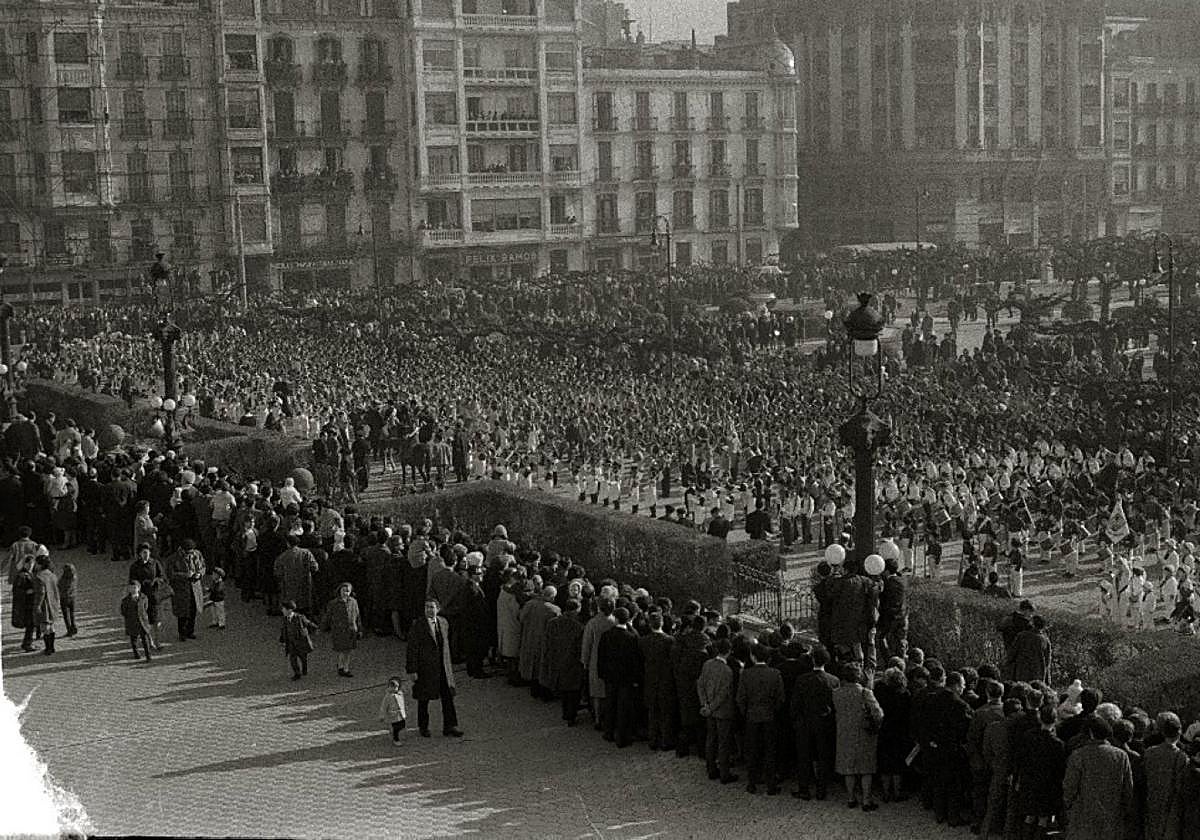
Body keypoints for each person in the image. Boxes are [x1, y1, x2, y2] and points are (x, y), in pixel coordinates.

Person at [1062, 717, 1135, 840]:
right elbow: (1128, 788)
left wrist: (1069, 807)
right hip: (1112, 816)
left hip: (1083, 816)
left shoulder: (1079, 755)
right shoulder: (1121, 756)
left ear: (1090, 733)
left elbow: (1070, 786)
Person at [406, 598, 463, 738]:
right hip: (425, 667)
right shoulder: (418, 625)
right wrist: (412, 669)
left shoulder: (443, 623)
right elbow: (412, 648)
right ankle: (423, 726)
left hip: (443, 667)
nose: (429, 610)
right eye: (426, 607)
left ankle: (450, 726)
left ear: (438, 609)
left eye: (432, 607)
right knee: (423, 698)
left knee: (448, 696)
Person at [832, 662, 884, 811]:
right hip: (863, 733)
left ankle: (851, 798)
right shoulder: (865, 693)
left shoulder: (836, 693)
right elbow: (878, 714)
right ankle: (866, 800)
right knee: (866, 768)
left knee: (849, 767)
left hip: (844, 733)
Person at [1011, 704, 1066, 840]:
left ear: (1040, 719)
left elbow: (1020, 759)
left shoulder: (1028, 736)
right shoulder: (1058, 744)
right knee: (1043, 818)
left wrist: (1017, 778)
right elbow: (1060, 769)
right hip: (1047, 785)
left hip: (1029, 781)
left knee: (1029, 816)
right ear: (1055, 720)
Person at [791, 644, 839, 801]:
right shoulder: (833, 681)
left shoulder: (802, 680)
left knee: (804, 756)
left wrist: (796, 719)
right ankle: (821, 789)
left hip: (805, 722)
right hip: (824, 722)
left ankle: (804, 788)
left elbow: (795, 703)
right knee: (823, 756)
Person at [737, 642, 784, 795]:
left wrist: (746, 712)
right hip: (769, 716)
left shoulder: (746, 674)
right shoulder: (775, 674)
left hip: (752, 716)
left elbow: (741, 698)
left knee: (752, 750)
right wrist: (773, 711)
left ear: (753, 656)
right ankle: (771, 783)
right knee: (770, 750)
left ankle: (752, 782)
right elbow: (780, 698)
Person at [597, 606, 642, 748]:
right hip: (626, 678)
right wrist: (636, 678)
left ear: (615, 619)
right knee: (623, 707)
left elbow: (601, 657)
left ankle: (608, 732)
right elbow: (636, 661)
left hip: (610, 676)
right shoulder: (632, 638)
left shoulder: (606, 635)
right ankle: (622, 737)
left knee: (610, 703)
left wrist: (601, 673)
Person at [698, 637, 738, 785]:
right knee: (723, 742)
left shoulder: (707, 664)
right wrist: (712, 707)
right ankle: (724, 773)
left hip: (708, 709)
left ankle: (711, 769)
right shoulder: (727, 671)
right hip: (722, 711)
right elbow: (723, 694)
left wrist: (705, 705)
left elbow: (700, 684)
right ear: (728, 651)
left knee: (711, 739)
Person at [1143, 711, 1187, 840]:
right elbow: (1180, 785)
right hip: (1171, 804)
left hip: (1152, 798)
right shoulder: (1181, 756)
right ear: (1179, 733)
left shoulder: (1150, 752)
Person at [542, 598, 586, 726]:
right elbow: (580, 648)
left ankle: (566, 712)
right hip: (572, 662)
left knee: (564, 689)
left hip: (557, 659)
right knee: (573, 690)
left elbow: (547, 642)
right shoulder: (578, 627)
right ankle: (570, 715)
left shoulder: (552, 623)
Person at [639, 610, 677, 751]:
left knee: (652, 712)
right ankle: (666, 741)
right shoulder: (669, 641)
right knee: (666, 712)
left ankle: (653, 739)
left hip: (650, 679)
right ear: (662, 623)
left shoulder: (643, 641)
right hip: (665, 680)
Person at [167, 539, 206, 642]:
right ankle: (182, 633)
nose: (191, 554)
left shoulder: (197, 554)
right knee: (183, 611)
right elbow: (170, 574)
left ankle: (190, 631)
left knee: (193, 610)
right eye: (188, 552)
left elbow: (203, 566)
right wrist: (185, 575)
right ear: (182, 550)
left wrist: (200, 574)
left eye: (192, 552)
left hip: (194, 587)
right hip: (181, 589)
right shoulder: (173, 559)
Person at [322, 582, 363, 677]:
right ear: (339, 591)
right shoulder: (333, 603)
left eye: (348, 591)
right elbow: (327, 616)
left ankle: (346, 668)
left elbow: (358, 616)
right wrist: (323, 627)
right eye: (343, 591)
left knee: (348, 650)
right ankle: (341, 666)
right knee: (341, 650)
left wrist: (360, 629)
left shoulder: (353, 602)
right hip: (339, 630)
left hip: (351, 629)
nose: (345, 593)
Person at [1004, 614, 1052, 684]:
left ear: (1032, 623)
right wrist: (1048, 679)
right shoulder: (1045, 640)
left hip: (1021, 672)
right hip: (1038, 675)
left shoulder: (1022, 636)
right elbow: (1047, 662)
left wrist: (1007, 666)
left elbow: (1012, 654)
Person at [280, 600, 318, 680]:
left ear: (289, 610)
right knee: (292, 658)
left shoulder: (300, 617)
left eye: (283, 609)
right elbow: (284, 630)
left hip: (300, 642)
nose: (282, 610)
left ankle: (304, 668)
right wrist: (282, 639)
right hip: (291, 642)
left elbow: (308, 623)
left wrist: (315, 628)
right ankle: (297, 673)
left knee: (303, 657)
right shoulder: (285, 619)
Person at [31, 555, 61, 655]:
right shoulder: (52, 575)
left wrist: (37, 605)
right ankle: (52, 647)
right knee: (51, 626)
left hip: (45, 604)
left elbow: (41, 592)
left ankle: (48, 648)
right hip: (53, 602)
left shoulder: (39, 576)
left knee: (45, 627)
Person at [120, 581, 153, 661]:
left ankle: (148, 655)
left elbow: (146, 607)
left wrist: (143, 616)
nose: (133, 589)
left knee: (144, 639)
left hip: (142, 622)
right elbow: (123, 611)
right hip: (132, 621)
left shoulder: (143, 597)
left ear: (139, 588)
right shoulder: (125, 600)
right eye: (131, 588)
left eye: (135, 587)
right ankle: (136, 653)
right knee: (134, 639)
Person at [378, 676, 408, 745]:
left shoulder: (400, 693)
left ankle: (397, 735)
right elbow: (384, 706)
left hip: (401, 714)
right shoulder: (388, 697)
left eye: (395, 687)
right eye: (392, 687)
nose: (394, 689)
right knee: (396, 727)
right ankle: (396, 739)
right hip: (393, 715)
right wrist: (382, 716)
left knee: (402, 725)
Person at [58, 562, 78, 637]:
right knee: (72, 613)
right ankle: (74, 626)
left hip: (64, 598)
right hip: (72, 597)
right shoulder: (74, 577)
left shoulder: (63, 579)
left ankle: (69, 629)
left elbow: (59, 587)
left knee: (66, 615)